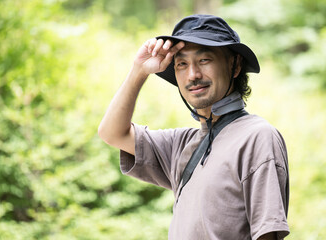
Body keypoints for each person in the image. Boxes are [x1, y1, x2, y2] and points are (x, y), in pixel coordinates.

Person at [98, 14, 290, 240]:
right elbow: (112, 133)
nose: (193, 75)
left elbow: (266, 233)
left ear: (234, 65)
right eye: (182, 64)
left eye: (205, 60)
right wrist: (139, 70)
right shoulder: (182, 144)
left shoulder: (256, 137)